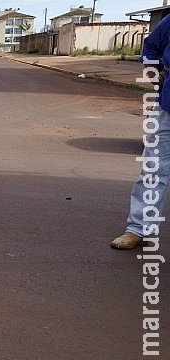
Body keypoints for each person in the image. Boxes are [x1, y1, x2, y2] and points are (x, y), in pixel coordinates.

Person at [111, 15, 170, 249]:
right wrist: (158, 80)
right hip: (167, 107)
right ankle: (138, 228)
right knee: (154, 168)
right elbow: (151, 47)